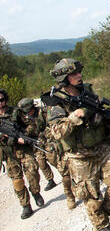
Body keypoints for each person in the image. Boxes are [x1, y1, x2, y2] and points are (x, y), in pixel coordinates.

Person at [47, 58, 110, 231]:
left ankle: (109, 208)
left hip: (101, 147)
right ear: (64, 78)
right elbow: (56, 132)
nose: (79, 75)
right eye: (74, 74)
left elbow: (100, 112)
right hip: (78, 155)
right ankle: (101, 224)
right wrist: (74, 117)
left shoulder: (87, 92)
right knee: (89, 194)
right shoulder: (57, 102)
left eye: (79, 72)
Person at [16, 97, 77, 209]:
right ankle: (69, 195)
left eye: (28, 110)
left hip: (50, 143)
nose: (27, 113)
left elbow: (52, 127)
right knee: (43, 164)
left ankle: (74, 184)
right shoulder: (23, 117)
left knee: (60, 167)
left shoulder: (44, 112)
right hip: (38, 145)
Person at [0, 89, 45, 219]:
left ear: (5, 100)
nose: (0, 103)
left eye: (1, 100)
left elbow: (31, 124)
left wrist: (24, 135)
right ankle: (26, 206)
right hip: (9, 154)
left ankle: (35, 192)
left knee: (33, 173)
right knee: (17, 181)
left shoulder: (15, 112)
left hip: (24, 150)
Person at [15, 98, 57, 192]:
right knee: (41, 161)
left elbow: (49, 125)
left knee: (53, 159)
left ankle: (65, 174)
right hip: (36, 141)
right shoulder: (24, 117)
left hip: (47, 139)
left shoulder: (42, 113)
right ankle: (50, 180)